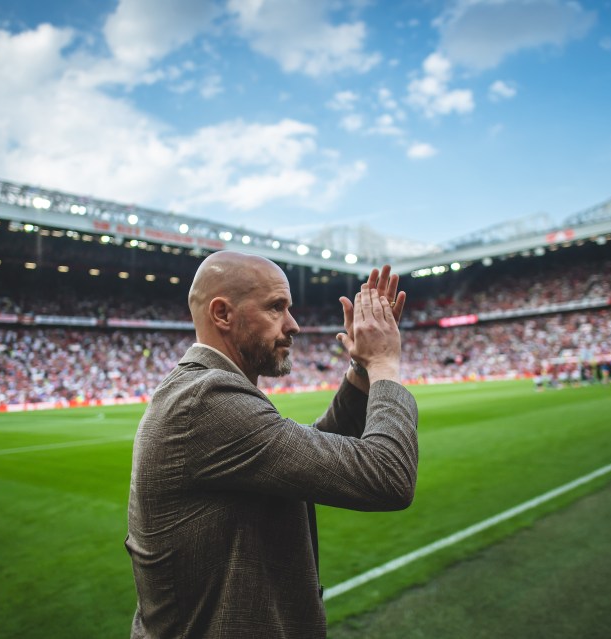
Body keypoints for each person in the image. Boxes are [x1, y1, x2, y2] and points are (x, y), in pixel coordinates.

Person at [125, 252, 419, 638]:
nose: (294, 325)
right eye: (276, 307)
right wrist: (384, 365)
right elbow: (387, 476)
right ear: (222, 314)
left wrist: (362, 372)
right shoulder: (207, 399)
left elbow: (309, 451)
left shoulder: (207, 390)